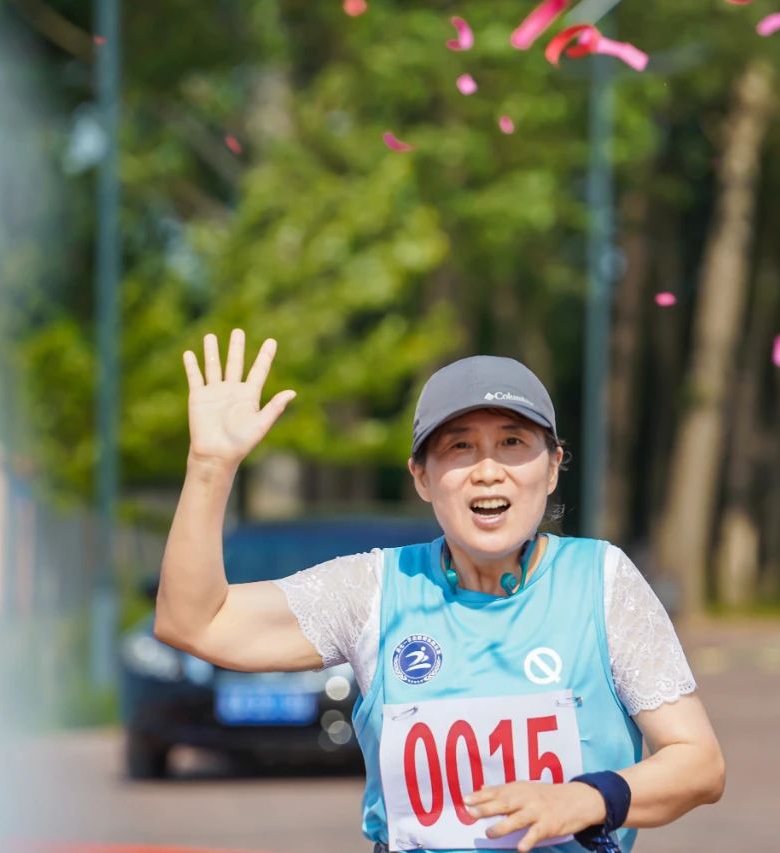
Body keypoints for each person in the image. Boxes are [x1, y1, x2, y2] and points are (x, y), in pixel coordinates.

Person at [155, 329, 725, 852]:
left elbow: (698, 764)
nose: (488, 470)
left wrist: (584, 799)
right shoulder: (375, 589)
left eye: (512, 442)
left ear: (552, 468)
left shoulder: (601, 580)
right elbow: (194, 623)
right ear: (422, 477)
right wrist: (209, 467)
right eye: (459, 447)